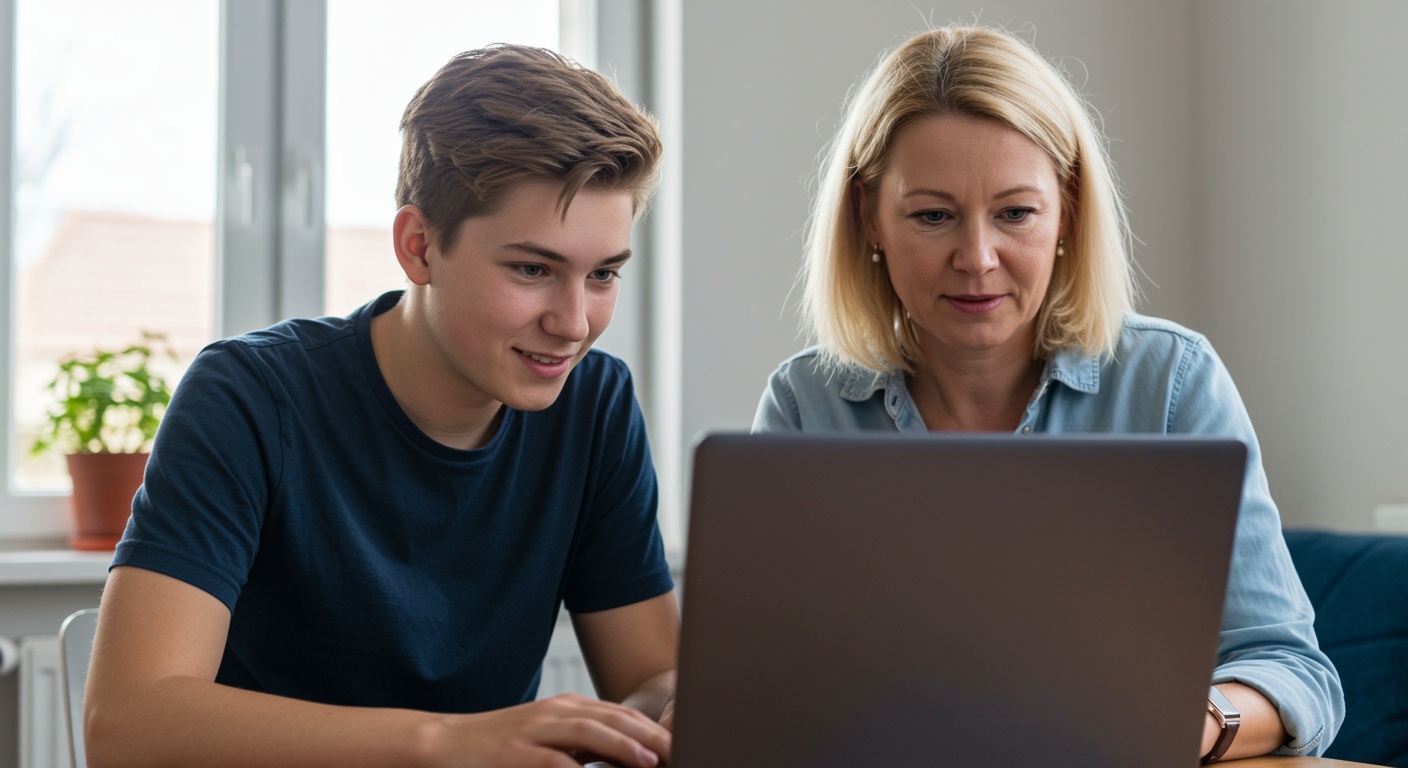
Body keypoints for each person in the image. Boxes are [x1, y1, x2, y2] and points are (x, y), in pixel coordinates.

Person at [752, 25, 1343, 762]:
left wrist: (1182, 723)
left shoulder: (1171, 383)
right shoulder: (808, 404)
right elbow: (764, 685)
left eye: (1016, 213)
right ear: (869, 216)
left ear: (1065, 210)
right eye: (933, 215)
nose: (977, 258)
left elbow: (1293, 671)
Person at [85, 45, 677, 768]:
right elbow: (128, 722)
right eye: (533, 269)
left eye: (604, 275)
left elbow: (650, 681)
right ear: (419, 247)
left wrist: (679, 708)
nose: (575, 322)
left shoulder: (596, 405)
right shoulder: (249, 396)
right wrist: (443, 742)